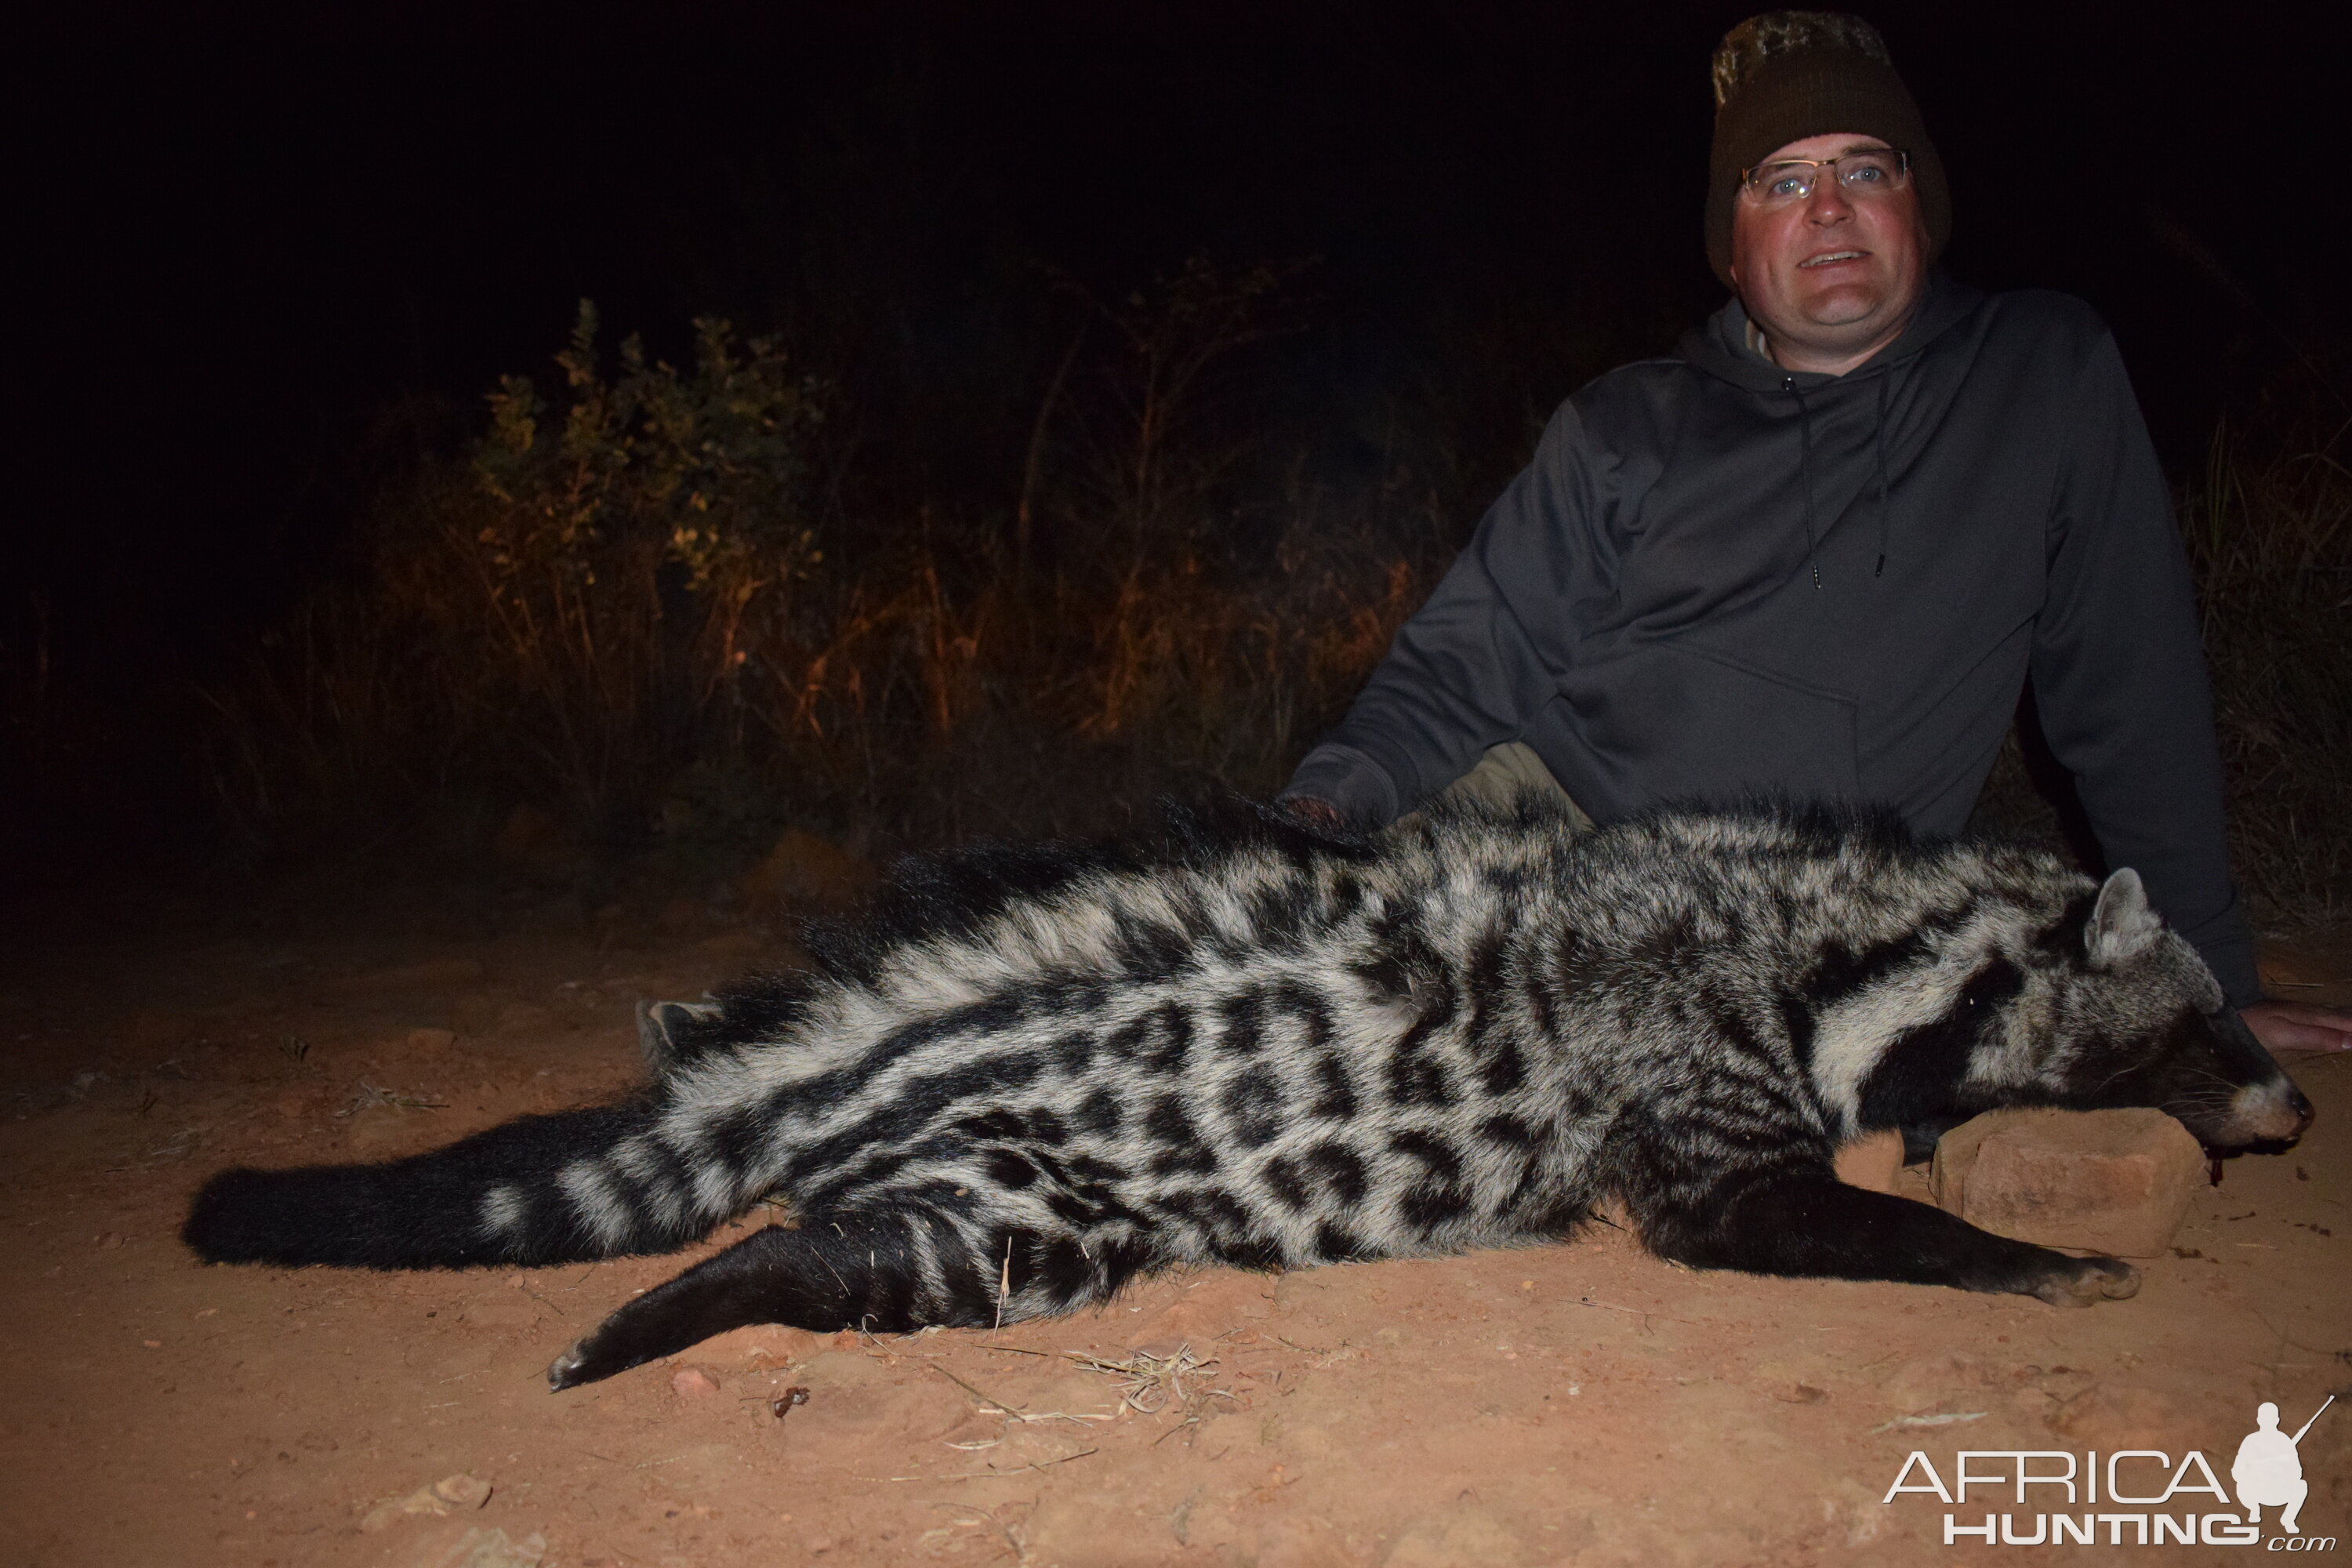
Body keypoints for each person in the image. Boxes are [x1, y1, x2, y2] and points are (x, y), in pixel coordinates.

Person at [1281, 11, 2352, 1055]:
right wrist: (1319, 811)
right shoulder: (1624, 425)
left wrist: (2204, 978)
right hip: (1539, 834)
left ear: (1919, 206)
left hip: (1802, 923)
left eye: (1866, 170)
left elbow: (2131, 692)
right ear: (1734, 248)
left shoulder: (2042, 376)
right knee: (1265, 995)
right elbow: (1461, 667)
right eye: (1783, 183)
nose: (1830, 210)